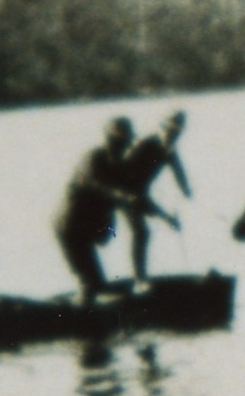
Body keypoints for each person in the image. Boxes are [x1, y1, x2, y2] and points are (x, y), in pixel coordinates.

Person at [53, 118, 171, 297]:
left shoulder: (118, 167)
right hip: (70, 227)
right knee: (91, 285)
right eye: (122, 142)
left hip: (86, 230)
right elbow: (97, 184)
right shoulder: (94, 157)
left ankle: (92, 300)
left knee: (97, 284)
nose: (126, 147)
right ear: (111, 139)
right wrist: (124, 196)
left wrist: (166, 216)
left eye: (127, 142)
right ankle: (83, 310)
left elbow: (138, 199)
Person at [118, 111, 191, 281]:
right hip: (124, 193)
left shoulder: (169, 150)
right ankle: (139, 279)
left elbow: (179, 172)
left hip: (140, 194)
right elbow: (123, 170)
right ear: (162, 128)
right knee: (141, 232)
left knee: (144, 232)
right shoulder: (146, 145)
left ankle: (140, 277)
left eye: (177, 134)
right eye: (170, 132)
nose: (173, 137)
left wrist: (186, 190)